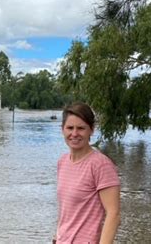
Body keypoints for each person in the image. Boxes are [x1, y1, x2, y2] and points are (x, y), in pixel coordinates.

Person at [54, 102, 120, 243]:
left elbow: (113, 214)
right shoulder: (63, 162)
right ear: (62, 130)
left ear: (91, 130)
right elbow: (66, 209)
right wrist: (56, 237)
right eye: (70, 128)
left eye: (81, 128)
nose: (75, 134)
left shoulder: (101, 165)